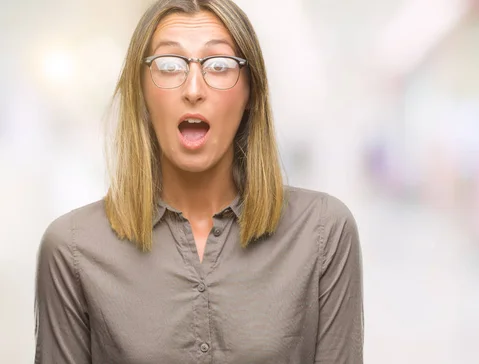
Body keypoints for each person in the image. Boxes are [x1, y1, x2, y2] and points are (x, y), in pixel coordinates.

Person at [33, 0, 364, 363]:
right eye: (169, 65)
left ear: (250, 93)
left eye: (219, 65)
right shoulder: (72, 250)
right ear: (141, 92)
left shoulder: (323, 233)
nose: (193, 88)